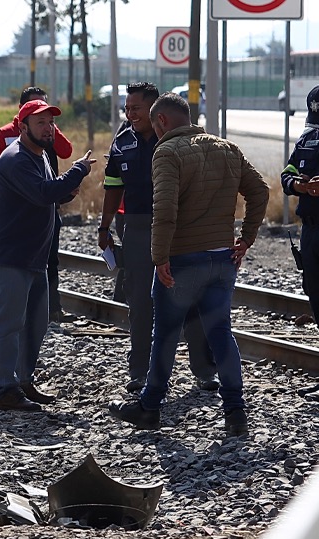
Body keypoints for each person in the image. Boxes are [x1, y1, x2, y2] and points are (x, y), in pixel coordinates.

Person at [109, 93, 268, 438]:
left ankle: (149, 407)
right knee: (221, 334)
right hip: (222, 260)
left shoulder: (166, 152)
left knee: (165, 334)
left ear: (162, 121)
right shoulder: (227, 148)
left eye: (154, 124)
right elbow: (260, 192)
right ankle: (235, 412)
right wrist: (246, 238)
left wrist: (159, 257)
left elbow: (164, 210)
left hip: (182, 259)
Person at [98, 82, 219, 395]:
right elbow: (113, 187)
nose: (130, 114)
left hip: (181, 228)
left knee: (191, 299)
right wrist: (104, 227)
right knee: (140, 303)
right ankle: (140, 372)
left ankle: (205, 372)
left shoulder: (181, 139)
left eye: (136, 108)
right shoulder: (122, 140)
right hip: (136, 228)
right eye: (127, 108)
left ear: (154, 110)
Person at [0, 99, 95, 411]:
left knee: (37, 322)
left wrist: (64, 191)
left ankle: (22, 380)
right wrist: (78, 171)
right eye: (41, 123)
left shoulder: (40, 156)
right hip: (13, 254)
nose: (48, 129)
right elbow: (44, 192)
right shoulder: (16, 158)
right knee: (9, 322)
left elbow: (45, 193)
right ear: (23, 127)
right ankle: (6, 388)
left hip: (35, 255)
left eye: (51, 123)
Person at [0, 86, 75, 322]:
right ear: (22, 115)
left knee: (50, 259)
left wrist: (50, 128)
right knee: (18, 281)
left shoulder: (46, 137)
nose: (46, 120)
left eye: (48, 115)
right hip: (22, 213)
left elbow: (66, 151)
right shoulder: (6, 136)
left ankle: (52, 307)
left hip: (48, 207)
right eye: (38, 112)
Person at [280, 84, 319, 324]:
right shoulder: (307, 138)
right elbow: (288, 173)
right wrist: (298, 185)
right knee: (314, 290)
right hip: (311, 230)